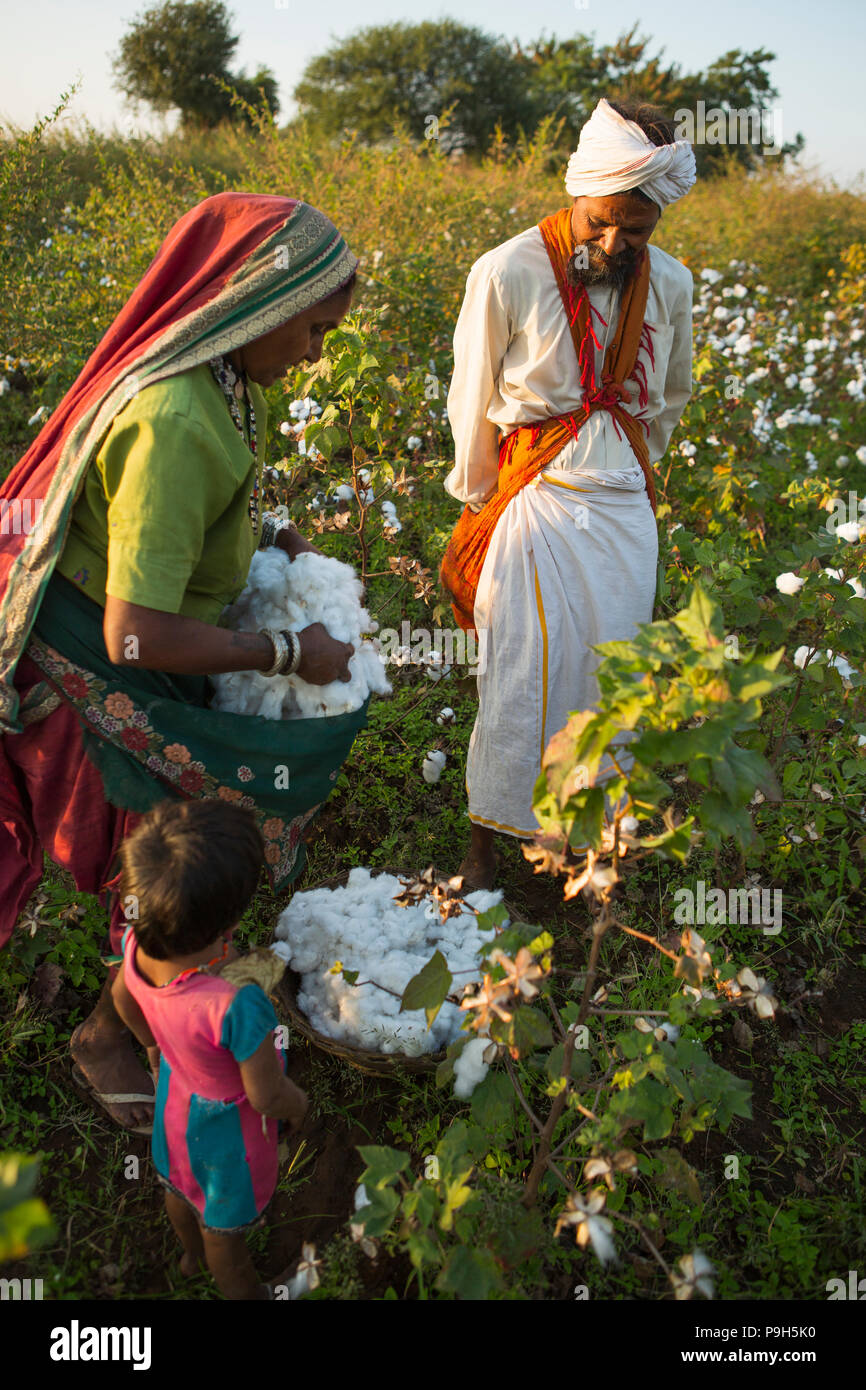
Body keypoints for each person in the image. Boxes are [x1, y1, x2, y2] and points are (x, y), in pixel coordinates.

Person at [0, 193, 361, 1131]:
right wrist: (289, 653)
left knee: (182, 845)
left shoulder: (220, 377)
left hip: (126, 634)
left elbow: (197, 512)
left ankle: (145, 1012)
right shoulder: (171, 419)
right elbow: (135, 635)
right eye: (315, 330)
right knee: (185, 851)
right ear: (257, 306)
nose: (316, 354)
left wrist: (260, 535)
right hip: (100, 651)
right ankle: (131, 1030)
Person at [440, 99, 697, 889]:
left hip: (622, 509)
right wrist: (483, 495)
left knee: (610, 675)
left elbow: (670, 397)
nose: (615, 244)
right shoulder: (508, 268)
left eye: (637, 231)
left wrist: (630, 473)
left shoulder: (673, 285)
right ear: (578, 193)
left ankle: (585, 853)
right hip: (534, 501)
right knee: (521, 676)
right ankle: (487, 859)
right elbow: (471, 394)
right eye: (600, 223)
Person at [111, 797, 308, 1300]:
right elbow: (264, 1096)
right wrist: (299, 1104)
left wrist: (153, 1047)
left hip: (175, 1104)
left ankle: (189, 1260)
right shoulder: (235, 1006)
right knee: (225, 1232)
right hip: (230, 1135)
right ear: (226, 921)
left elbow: (121, 999)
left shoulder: (136, 947)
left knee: (179, 1188)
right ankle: (247, 1290)